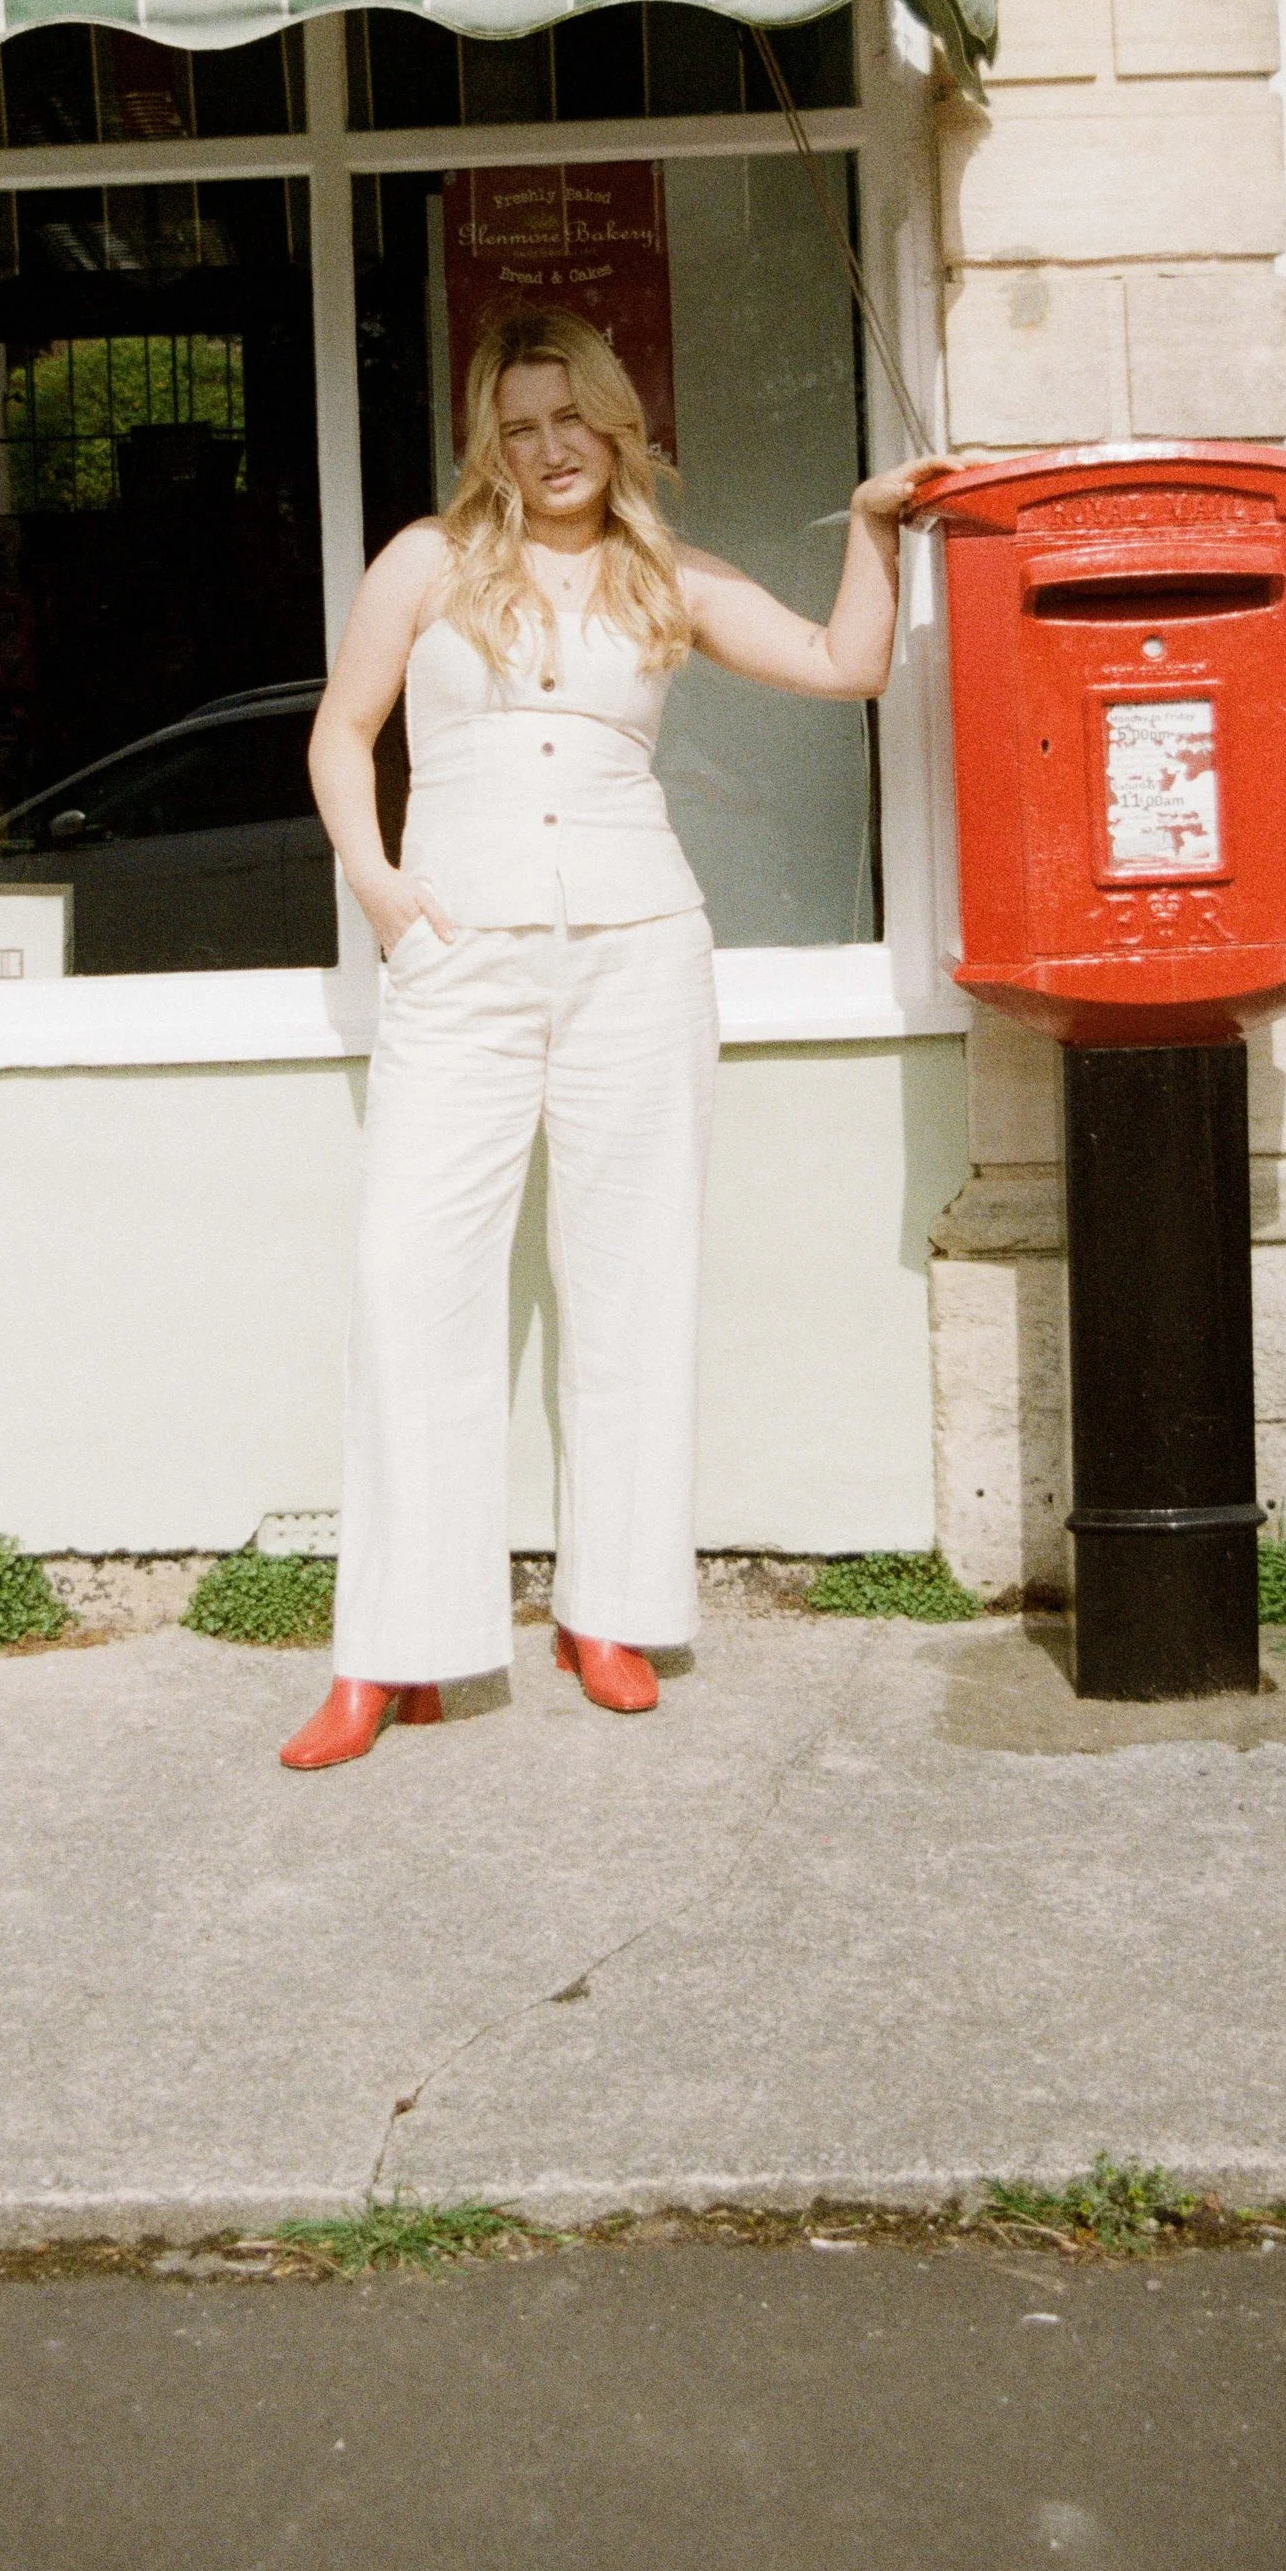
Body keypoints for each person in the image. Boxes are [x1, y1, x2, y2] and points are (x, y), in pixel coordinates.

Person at [282, 305, 933, 1771]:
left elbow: (845, 664)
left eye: (572, 417)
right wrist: (383, 891)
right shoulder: (426, 563)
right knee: (409, 1287)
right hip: (461, 958)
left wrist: (882, 530)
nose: (549, 447)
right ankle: (394, 1652)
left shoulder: (666, 577)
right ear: (486, 442)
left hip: (640, 954)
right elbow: (340, 730)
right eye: (518, 424)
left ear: (619, 425)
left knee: (632, 1281)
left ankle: (612, 1610)